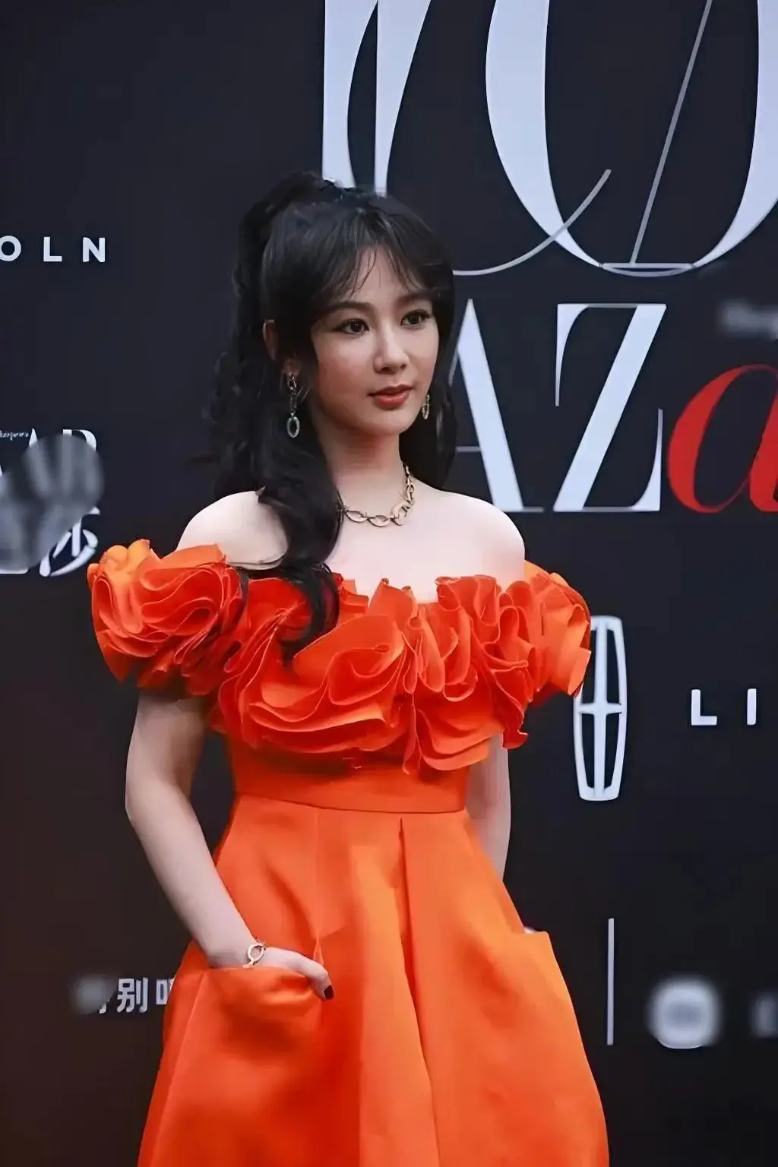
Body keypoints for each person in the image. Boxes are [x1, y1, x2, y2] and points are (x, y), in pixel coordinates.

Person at [88, 171, 609, 1166]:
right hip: (285, 948)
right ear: (288, 351)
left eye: (414, 318)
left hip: (459, 963)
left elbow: (484, 795)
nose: (393, 354)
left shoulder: (488, 541)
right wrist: (235, 949)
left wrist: (463, 950)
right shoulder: (232, 538)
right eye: (351, 325)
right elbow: (152, 784)